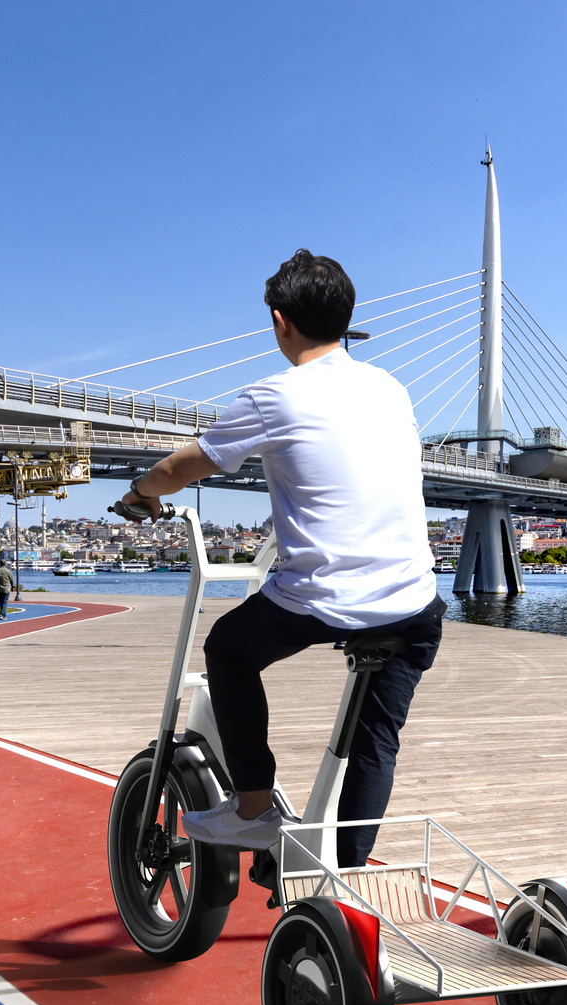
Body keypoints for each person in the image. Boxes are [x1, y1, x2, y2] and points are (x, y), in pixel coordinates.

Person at [116, 249, 442, 869]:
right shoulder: (391, 388)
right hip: (414, 604)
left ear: (279, 320)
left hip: (328, 600)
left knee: (228, 650)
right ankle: (343, 883)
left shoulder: (275, 396)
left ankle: (254, 811)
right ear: (347, 322)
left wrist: (139, 494)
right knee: (377, 739)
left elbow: (181, 467)